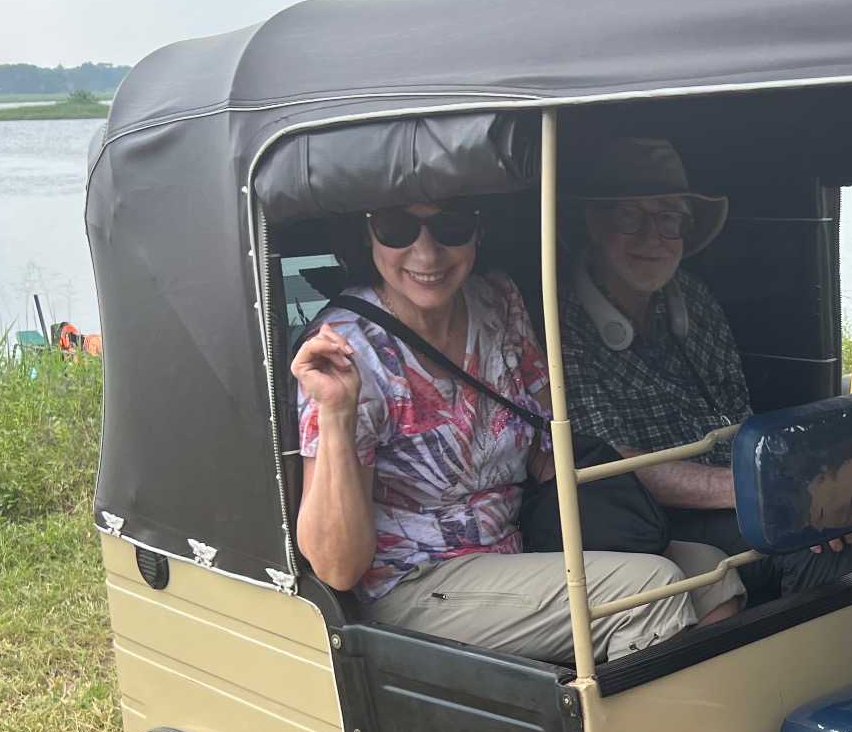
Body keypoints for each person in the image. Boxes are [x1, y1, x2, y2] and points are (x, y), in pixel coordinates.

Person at [292, 196, 742, 663]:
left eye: (451, 226)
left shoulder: (496, 301)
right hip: (415, 582)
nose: (426, 254)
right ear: (367, 234)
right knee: (649, 590)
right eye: (397, 227)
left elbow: (549, 445)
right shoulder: (345, 350)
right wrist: (336, 414)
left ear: (478, 229)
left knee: (711, 572)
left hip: (516, 542)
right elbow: (337, 568)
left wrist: (623, 514)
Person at [558, 138, 852, 606]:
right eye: (629, 217)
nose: (652, 237)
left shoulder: (693, 298)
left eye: (669, 218)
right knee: (809, 545)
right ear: (593, 224)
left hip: (736, 489)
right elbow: (608, 462)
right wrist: (752, 489)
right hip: (651, 516)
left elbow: (738, 412)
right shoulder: (559, 320)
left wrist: (809, 480)